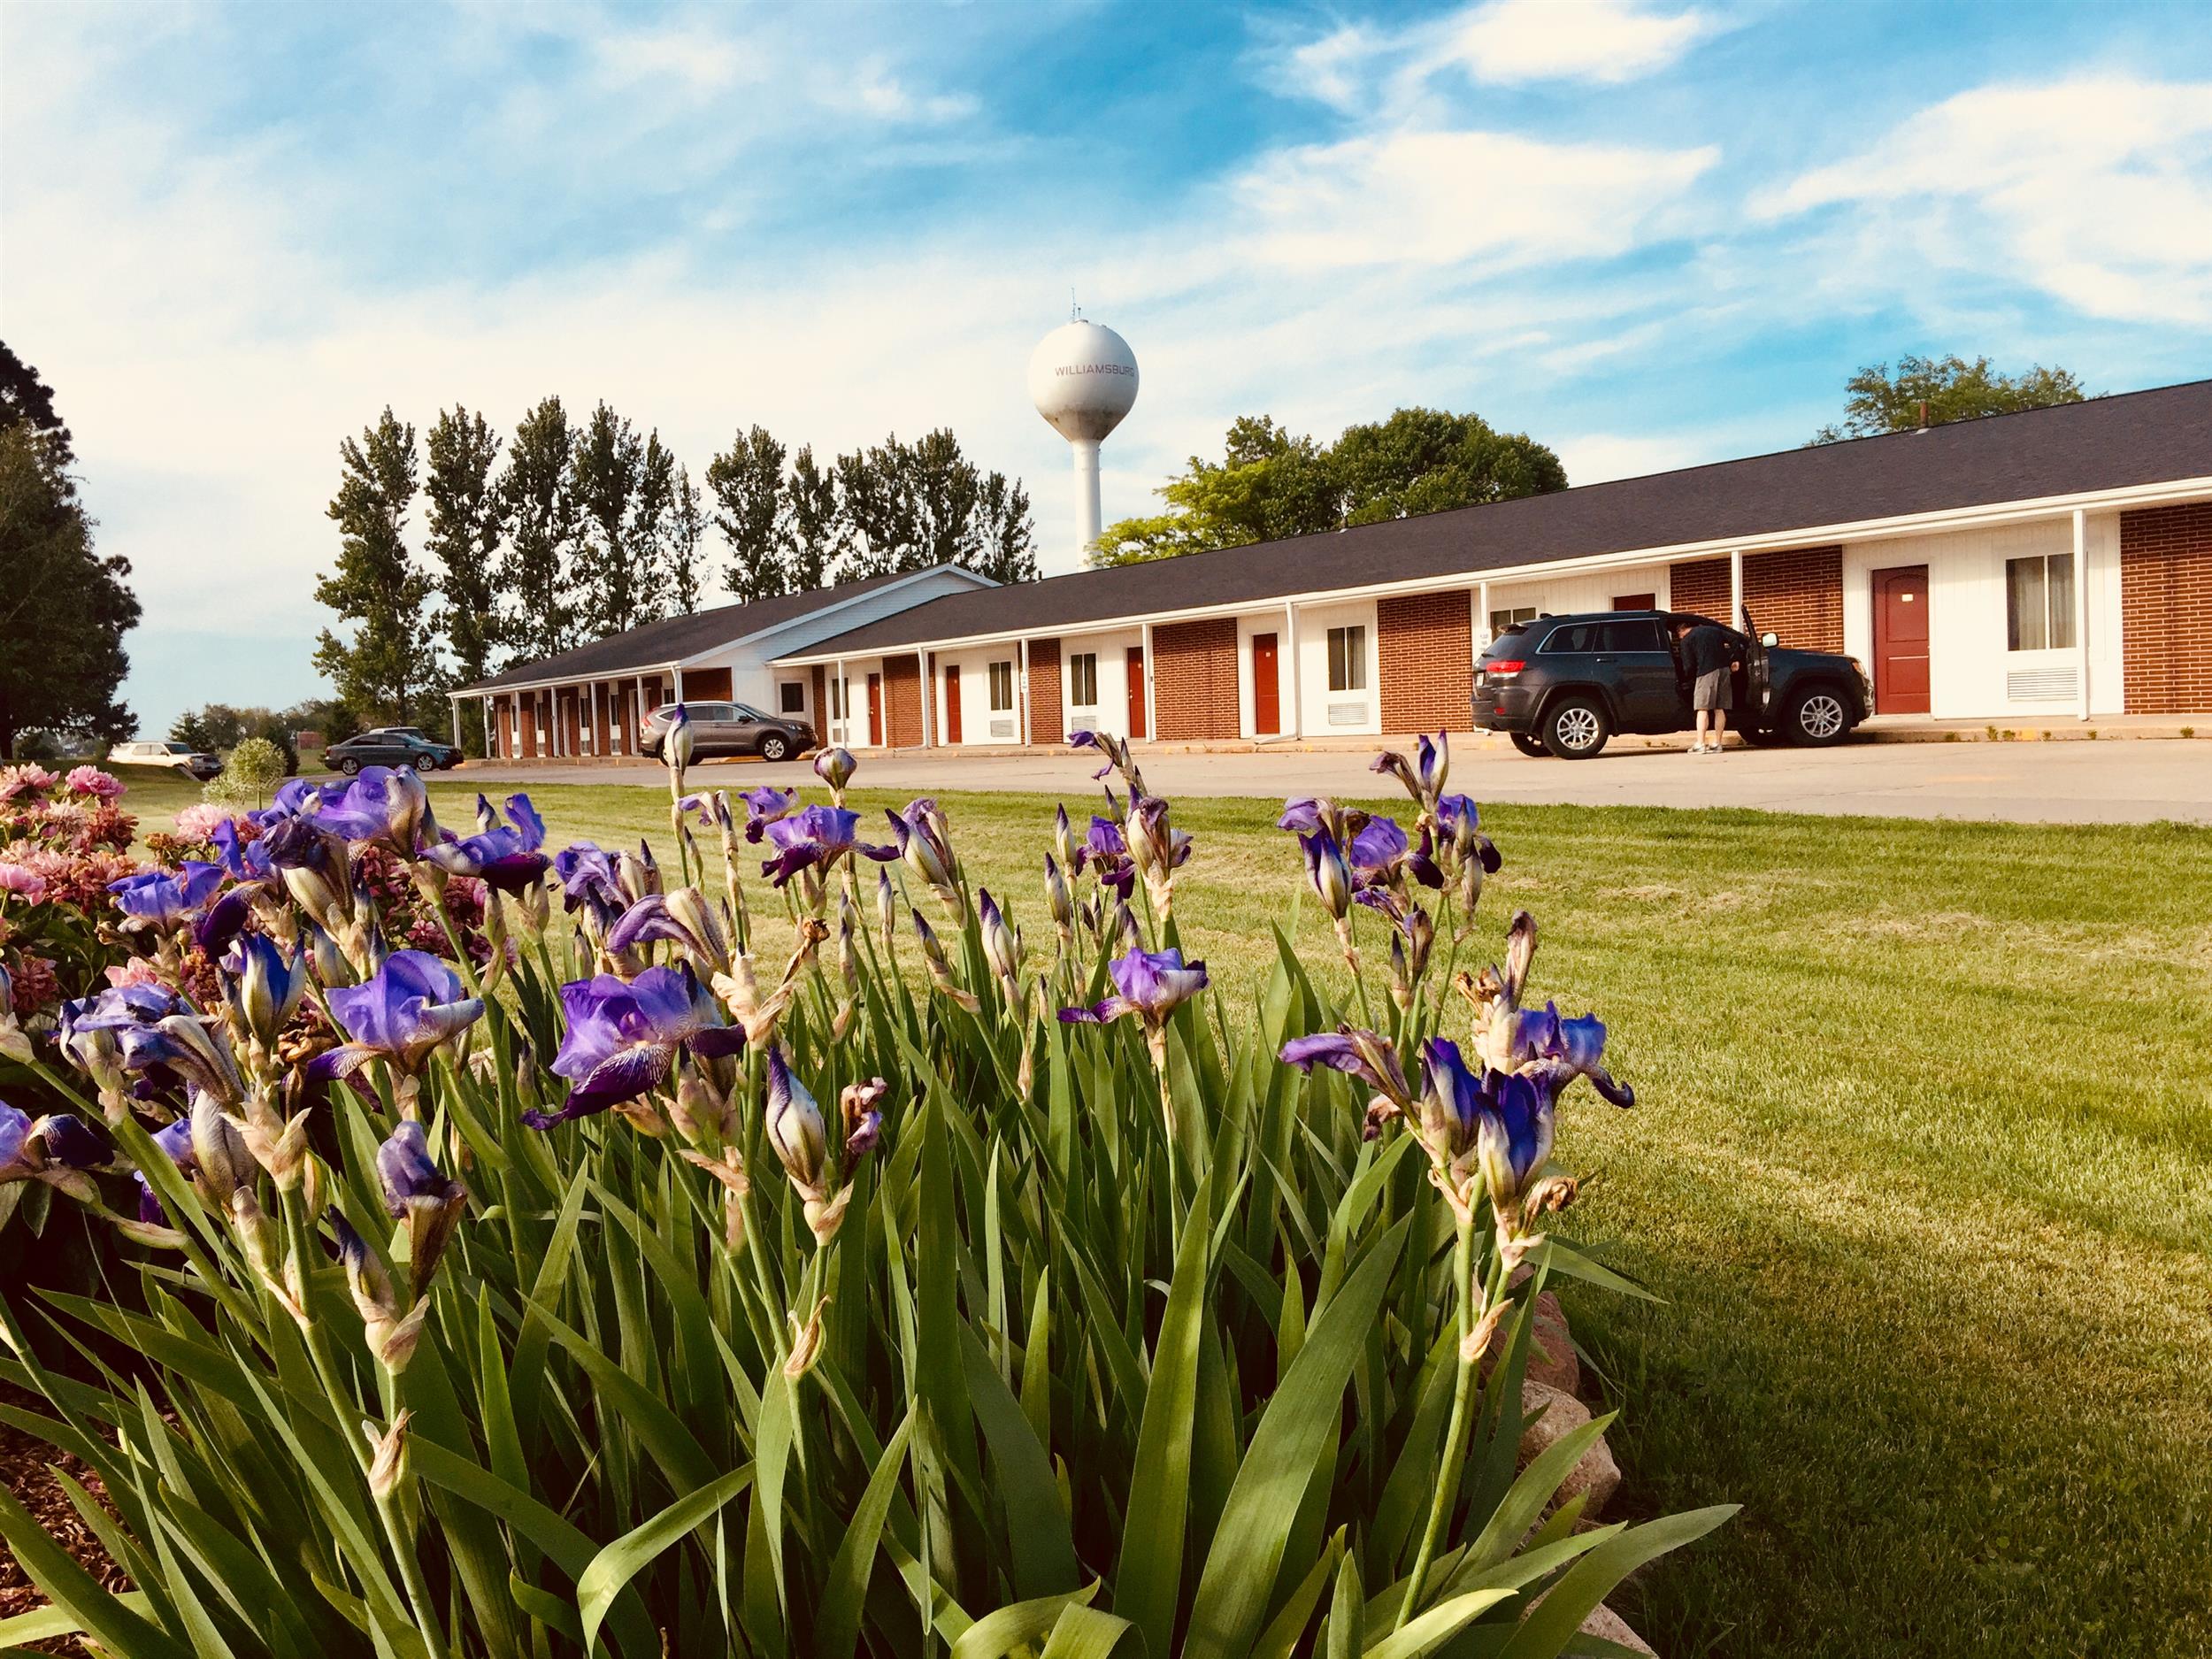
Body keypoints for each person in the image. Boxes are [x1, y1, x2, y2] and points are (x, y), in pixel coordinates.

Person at [1680, 619, 1740, 754]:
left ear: (1682, 632)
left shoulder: (1686, 640)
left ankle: (1700, 743)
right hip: (1724, 670)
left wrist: (1689, 678)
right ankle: (1718, 743)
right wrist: (1735, 659)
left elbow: (1688, 665)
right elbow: (1735, 639)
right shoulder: (1713, 630)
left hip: (1706, 672)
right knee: (1719, 708)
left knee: (1702, 708)